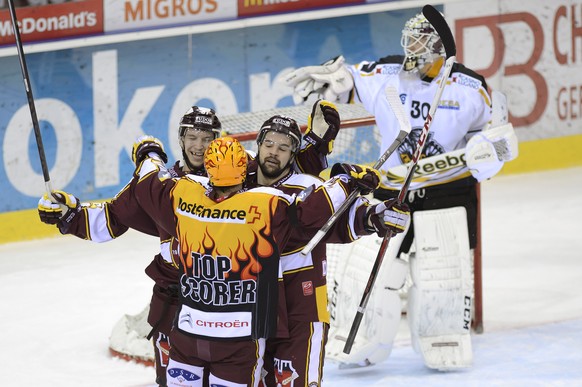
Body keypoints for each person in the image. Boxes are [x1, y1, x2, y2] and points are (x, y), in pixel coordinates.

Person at [285, 10, 517, 370]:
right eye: (408, 38)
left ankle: (445, 340)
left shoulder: (471, 87)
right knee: (364, 272)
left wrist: (489, 153)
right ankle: (360, 342)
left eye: (419, 39)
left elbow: (497, 140)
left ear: (439, 45)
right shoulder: (386, 73)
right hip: (389, 193)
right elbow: (347, 79)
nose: (409, 46)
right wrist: (333, 79)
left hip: (447, 192)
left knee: (439, 278)